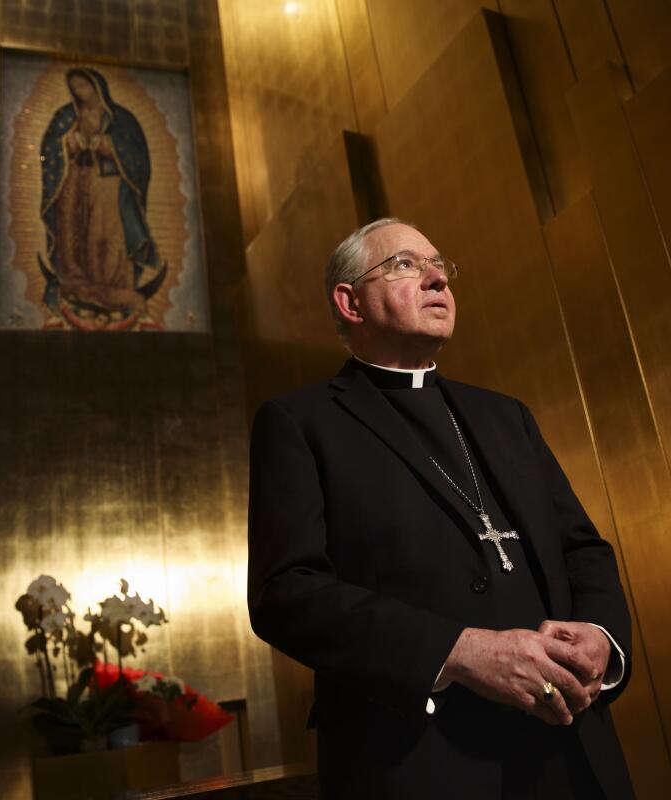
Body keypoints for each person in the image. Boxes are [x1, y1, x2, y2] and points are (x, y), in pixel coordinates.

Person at [247, 218, 635, 798]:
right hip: (420, 760)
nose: (436, 279)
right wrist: (456, 651)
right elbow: (286, 592)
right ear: (349, 302)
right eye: (405, 264)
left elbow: (582, 548)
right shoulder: (302, 424)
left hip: (567, 749)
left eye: (441, 267)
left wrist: (603, 638)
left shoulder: (506, 417)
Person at [38, 67, 166, 330]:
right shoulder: (65, 116)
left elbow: (138, 156)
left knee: (105, 234)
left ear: (98, 86)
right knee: (73, 232)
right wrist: (68, 144)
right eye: (74, 88)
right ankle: (75, 282)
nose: (79, 92)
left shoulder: (121, 119)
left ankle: (114, 288)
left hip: (107, 185)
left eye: (83, 86)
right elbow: (48, 149)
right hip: (72, 182)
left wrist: (108, 145)